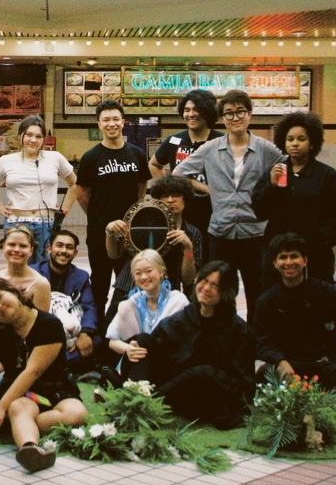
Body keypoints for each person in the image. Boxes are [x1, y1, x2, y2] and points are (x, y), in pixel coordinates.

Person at [0, 278, 87, 473]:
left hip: (56, 388)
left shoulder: (49, 324)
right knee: (19, 408)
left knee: (77, 415)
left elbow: (33, 371)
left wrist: (0, 408)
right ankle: (30, 449)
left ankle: (10, 425)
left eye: (0, 297)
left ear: (14, 292)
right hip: (21, 393)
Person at [174, 89, 282, 324]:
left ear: (249, 114)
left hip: (255, 232)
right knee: (221, 291)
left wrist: (271, 187)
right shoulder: (211, 149)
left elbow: (287, 170)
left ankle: (255, 338)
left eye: (240, 112)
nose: (235, 118)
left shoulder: (265, 148)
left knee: (258, 291)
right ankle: (226, 336)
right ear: (223, 118)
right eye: (229, 113)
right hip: (220, 232)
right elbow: (179, 173)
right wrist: (209, 189)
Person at [127, 261, 256, 430]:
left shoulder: (239, 330)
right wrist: (131, 350)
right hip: (174, 392)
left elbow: (243, 387)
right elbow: (157, 354)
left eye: (215, 285)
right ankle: (133, 399)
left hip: (207, 398)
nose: (206, 288)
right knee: (142, 340)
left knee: (203, 372)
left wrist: (209, 375)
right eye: (204, 281)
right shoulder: (180, 319)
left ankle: (144, 404)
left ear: (226, 292)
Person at [254, 233, 336, 418]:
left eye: (294, 256)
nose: (289, 262)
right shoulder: (267, 301)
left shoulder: (327, 292)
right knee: (264, 373)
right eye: (283, 257)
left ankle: (301, 399)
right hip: (290, 368)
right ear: (275, 263)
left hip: (325, 365)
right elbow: (262, 342)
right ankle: (332, 400)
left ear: (305, 260)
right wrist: (280, 361)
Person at [251, 111, 336, 286]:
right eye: (290, 139)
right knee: (275, 296)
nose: (295, 143)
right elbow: (260, 211)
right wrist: (271, 186)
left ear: (312, 143)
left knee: (316, 297)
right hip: (278, 252)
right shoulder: (274, 171)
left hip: (315, 254)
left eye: (301, 139)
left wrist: (322, 236)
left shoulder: (326, 175)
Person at [73, 99, 151, 320]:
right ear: (99, 124)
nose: (111, 124)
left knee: (129, 284)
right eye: (106, 120)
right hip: (99, 233)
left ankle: (124, 327)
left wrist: (131, 216)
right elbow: (82, 194)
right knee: (99, 285)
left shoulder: (136, 154)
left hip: (130, 233)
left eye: (116, 119)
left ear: (123, 122)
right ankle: (97, 329)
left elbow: (141, 187)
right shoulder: (91, 157)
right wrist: (98, 217)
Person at [102, 173, 199, 326]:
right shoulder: (140, 221)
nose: (170, 200)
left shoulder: (192, 233)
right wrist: (110, 232)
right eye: (165, 196)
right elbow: (114, 254)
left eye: (176, 195)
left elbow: (188, 280)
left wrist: (187, 247)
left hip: (165, 298)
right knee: (113, 336)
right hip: (127, 290)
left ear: (185, 199)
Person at [0, 115, 78, 266]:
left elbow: (74, 184)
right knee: (18, 267)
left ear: (43, 139)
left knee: (45, 268)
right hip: (16, 223)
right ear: (20, 135)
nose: (33, 140)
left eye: (38, 136)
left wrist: (64, 210)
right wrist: (0, 207)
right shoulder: (5, 161)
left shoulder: (55, 158)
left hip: (46, 224)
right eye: (29, 135)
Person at [149, 89, 222, 266]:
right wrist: (167, 188)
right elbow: (154, 164)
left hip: (213, 212)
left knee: (210, 261)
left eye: (196, 109)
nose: (190, 114)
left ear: (207, 112)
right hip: (182, 213)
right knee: (183, 259)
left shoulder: (221, 141)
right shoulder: (174, 140)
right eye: (187, 110)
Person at [105, 249, 190, 379]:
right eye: (138, 273)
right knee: (125, 309)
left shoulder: (177, 300)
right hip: (138, 360)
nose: (144, 277)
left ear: (162, 272)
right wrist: (128, 349)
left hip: (169, 361)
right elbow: (112, 341)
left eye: (149, 271)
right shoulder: (132, 301)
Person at [36, 229, 99, 373]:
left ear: (75, 253)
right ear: (49, 249)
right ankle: (55, 367)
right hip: (41, 333)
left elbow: (88, 306)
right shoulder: (35, 272)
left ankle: (47, 366)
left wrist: (84, 334)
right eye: (59, 245)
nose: (64, 251)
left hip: (70, 332)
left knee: (94, 341)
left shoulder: (81, 276)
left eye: (69, 247)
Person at [0, 224, 51, 313]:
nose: (16, 249)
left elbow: (42, 320)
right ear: (3, 246)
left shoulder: (41, 284)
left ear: (31, 250)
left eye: (23, 246)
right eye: (11, 244)